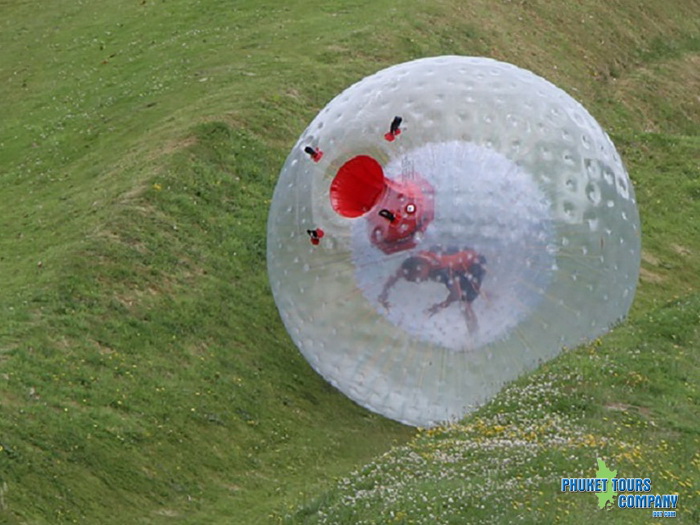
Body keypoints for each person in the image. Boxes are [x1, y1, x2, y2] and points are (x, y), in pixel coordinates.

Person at [378, 246, 486, 333]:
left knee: (465, 303)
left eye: (416, 279)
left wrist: (441, 306)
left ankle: (474, 337)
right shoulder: (416, 260)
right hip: (462, 255)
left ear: (421, 270)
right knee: (470, 288)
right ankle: (491, 296)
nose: (417, 282)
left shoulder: (442, 269)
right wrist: (384, 293)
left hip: (475, 263)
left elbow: (456, 294)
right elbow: (398, 274)